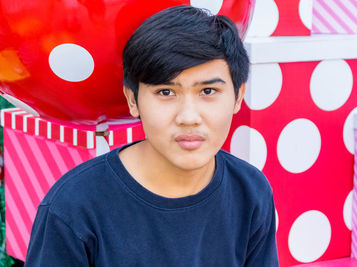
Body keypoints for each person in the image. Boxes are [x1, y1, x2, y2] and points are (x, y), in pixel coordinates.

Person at [24, 5, 278, 266]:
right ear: (133, 100)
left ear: (237, 96)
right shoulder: (73, 208)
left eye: (208, 91)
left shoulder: (251, 192)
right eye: (166, 92)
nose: (188, 117)